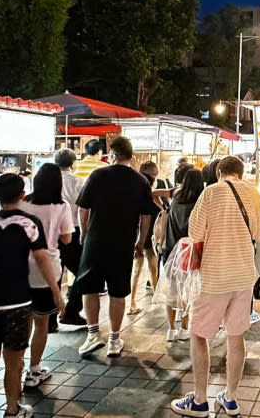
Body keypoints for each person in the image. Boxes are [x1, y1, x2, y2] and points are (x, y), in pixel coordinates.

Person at [0, 174, 64, 418]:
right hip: (16, 300)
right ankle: (12, 409)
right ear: (22, 195)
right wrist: (57, 293)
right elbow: (42, 259)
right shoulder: (29, 222)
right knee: (14, 359)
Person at [171, 156, 260, 418]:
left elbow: (195, 233)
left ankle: (200, 401)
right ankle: (231, 399)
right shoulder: (254, 193)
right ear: (241, 173)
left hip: (214, 278)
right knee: (237, 338)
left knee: (199, 336)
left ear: (219, 171)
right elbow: (258, 232)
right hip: (244, 276)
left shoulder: (210, 192)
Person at [76, 136, 156, 358]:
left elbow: (83, 208)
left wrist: (83, 233)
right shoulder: (141, 181)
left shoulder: (98, 175)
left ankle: (93, 335)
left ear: (112, 154)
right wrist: (140, 241)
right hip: (123, 242)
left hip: (96, 239)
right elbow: (146, 215)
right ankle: (114, 338)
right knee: (118, 291)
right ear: (131, 156)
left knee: (90, 287)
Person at [20, 164, 74, 389]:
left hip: (21, 270)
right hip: (47, 272)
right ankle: (34, 370)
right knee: (41, 324)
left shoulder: (23, 204)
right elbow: (67, 239)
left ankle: (17, 366)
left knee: (23, 322)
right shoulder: (61, 207)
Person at [162, 168, 203, 342]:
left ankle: (171, 329)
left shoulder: (176, 196)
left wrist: (162, 207)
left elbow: (153, 193)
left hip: (170, 248)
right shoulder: (200, 202)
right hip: (189, 250)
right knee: (187, 289)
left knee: (172, 290)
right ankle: (184, 328)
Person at [128, 162, 166, 315]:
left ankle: (133, 302)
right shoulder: (153, 189)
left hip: (140, 235)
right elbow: (160, 209)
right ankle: (153, 299)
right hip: (149, 235)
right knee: (151, 268)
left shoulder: (135, 188)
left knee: (140, 270)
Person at [54, 148, 87, 326]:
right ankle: (71, 310)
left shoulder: (46, 180)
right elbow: (82, 208)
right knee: (83, 272)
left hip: (51, 233)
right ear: (72, 164)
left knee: (54, 275)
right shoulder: (77, 182)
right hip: (73, 231)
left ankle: (50, 318)